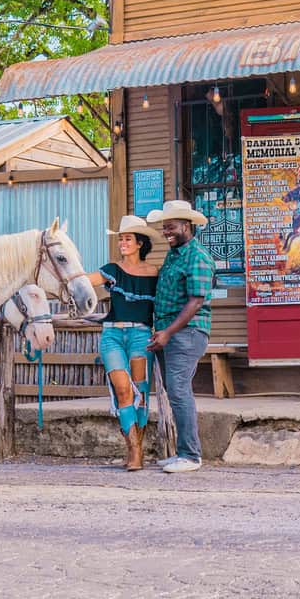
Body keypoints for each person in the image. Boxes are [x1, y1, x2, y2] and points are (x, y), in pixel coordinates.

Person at [146, 199, 215, 474]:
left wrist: (168, 332)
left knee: (178, 390)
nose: (166, 232)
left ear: (187, 226)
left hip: (186, 333)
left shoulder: (197, 256)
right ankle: (182, 452)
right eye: (164, 228)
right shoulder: (174, 254)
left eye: (171, 227)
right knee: (173, 391)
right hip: (168, 333)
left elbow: (196, 301)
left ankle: (190, 455)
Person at [87, 215, 160, 471]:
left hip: (141, 334)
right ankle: (134, 449)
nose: (122, 243)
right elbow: (83, 282)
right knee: (122, 390)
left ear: (140, 243)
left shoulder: (154, 273)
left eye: (127, 238)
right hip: (112, 335)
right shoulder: (112, 270)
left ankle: (137, 450)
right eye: (120, 239)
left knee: (140, 391)